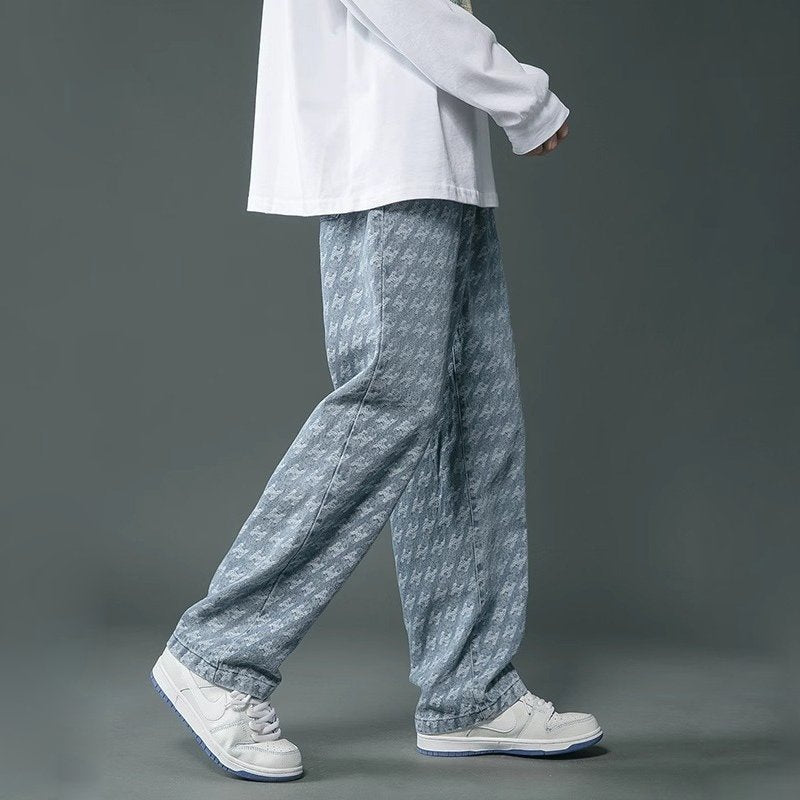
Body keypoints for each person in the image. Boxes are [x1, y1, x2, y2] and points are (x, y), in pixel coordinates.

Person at [150, 0, 601, 782]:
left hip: (433, 144)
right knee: (389, 401)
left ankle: (469, 689)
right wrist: (520, 96)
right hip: (388, 144)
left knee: (468, 417)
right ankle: (220, 654)